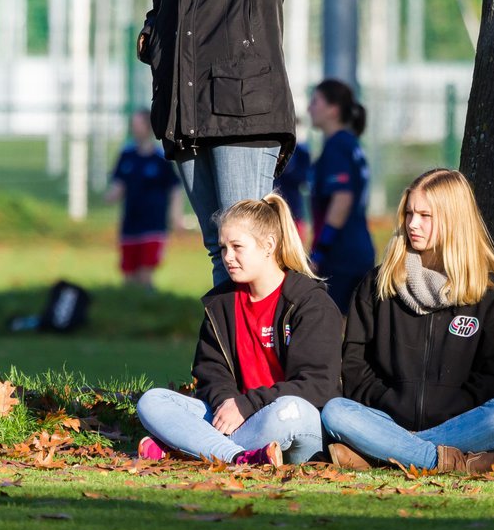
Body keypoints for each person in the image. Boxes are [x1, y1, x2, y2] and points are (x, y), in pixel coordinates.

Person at [138, 0, 314, 287]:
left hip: (244, 115)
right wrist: (152, 43)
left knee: (248, 249)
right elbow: (164, 11)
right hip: (182, 114)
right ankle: (229, 347)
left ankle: (272, 343)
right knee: (223, 252)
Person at [321, 169, 494, 473]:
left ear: (454, 220)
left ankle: (385, 454)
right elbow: (354, 365)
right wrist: (389, 401)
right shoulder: (378, 283)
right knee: (335, 412)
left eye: (425, 215)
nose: (412, 224)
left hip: (461, 420)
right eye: (409, 213)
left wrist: (453, 406)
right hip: (386, 417)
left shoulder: (487, 290)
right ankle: (447, 461)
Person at [135, 194, 340, 465]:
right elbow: (211, 372)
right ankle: (239, 457)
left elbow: (316, 385)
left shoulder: (310, 303)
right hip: (236, 416)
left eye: (237, 247)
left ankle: (186, 447)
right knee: (152, 401)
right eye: (223, 248)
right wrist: (227, 403)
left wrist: (246, 405)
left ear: (268, 245)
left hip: (288, 420)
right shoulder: (221, 303)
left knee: (292, 411)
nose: (227, 257)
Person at [307, 79, 374, 313]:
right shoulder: (350, 144)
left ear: (333, 110)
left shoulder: (337, 146)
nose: (309, 108)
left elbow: (342, 199)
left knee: (329, 328)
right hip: (357, 248)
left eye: (315, 101)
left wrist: (320, 250)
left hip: (341, 254)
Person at [105, 111, 182, 290]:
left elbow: (174, 188)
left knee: (145, 273)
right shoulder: (127, 155)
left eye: (138, 124)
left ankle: (149, 305)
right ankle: (132, 309)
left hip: (153, 223)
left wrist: (175, 216)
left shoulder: (160, 158)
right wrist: (107, 197)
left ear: (148, 127)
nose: (134, 128)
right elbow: (119, 185)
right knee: (128, 275)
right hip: (130, 222)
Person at [272, 138, 310, 238]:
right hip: (273, 211)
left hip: (293, 211)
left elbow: (303, 179)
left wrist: (286, 167)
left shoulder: (302, 152)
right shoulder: (273, 147)